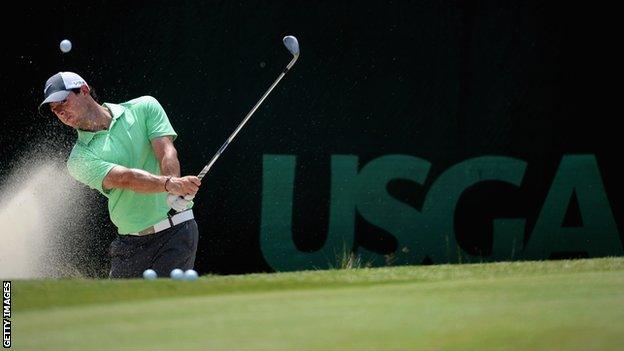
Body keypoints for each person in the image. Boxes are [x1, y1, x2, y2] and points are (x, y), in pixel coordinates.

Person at [39, 71, 201, 279]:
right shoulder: (78, 159)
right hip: (130, 244)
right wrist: (170, 185)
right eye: (54, 109)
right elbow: (124, 179)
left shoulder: (144, 106)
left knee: (160, 306)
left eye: (63, 101)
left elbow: (166, 150)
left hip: (176, 231)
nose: (60, 111)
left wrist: (175, 188)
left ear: (84, 90)